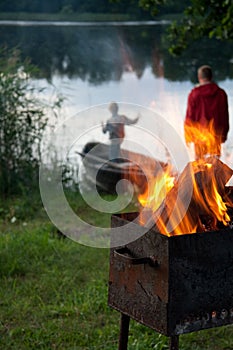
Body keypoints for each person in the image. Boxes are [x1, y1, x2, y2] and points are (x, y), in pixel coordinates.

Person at [184, 65, 229, 159]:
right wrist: (224, 134)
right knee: (215, 165)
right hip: (216, 135)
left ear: (199, 77)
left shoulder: (194, 94)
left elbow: (190, 116)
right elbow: (225, 116)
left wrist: (188, 136)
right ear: (211, 77)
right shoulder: (221, 93)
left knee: (199, 164)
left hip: (199, 135)